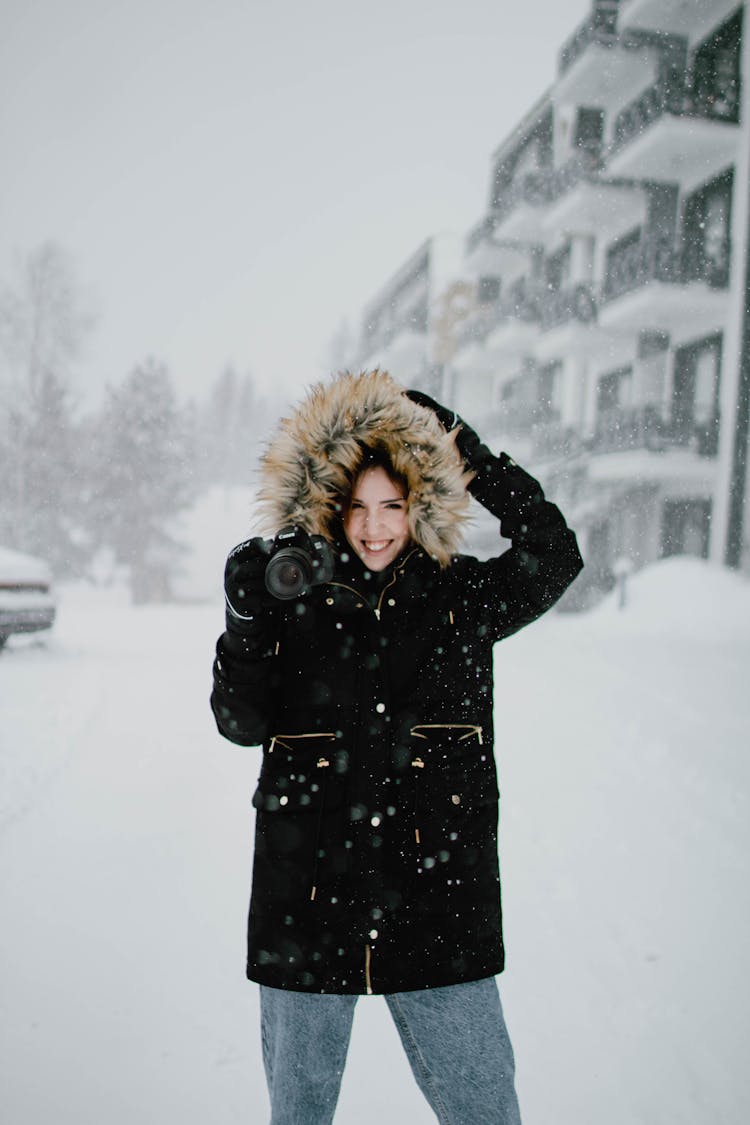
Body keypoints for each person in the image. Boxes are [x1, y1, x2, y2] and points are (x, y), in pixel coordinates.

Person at [211, 368, 583, 1124]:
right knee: (299, 1116)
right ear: (328, 507)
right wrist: (245, 619)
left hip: (439, 911)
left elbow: (554, 551)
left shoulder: (460, 599)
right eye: (356, 506)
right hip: (307, 911)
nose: (375, 527)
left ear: (422, 503)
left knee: (487, 1110)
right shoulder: (294, 602)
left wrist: (461, 449)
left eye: (394, 504)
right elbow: (239, 720)